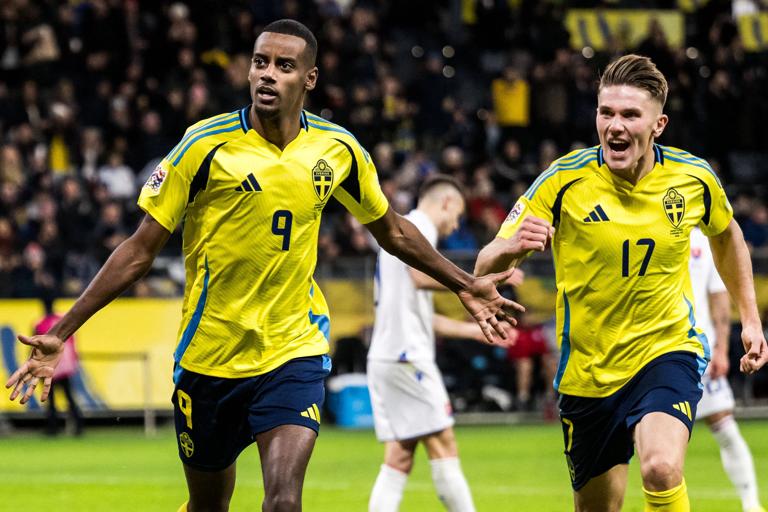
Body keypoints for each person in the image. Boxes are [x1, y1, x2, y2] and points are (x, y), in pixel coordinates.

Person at [5, 19, 521, 512]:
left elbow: (394, 231)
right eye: (259, 62)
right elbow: (140, 250)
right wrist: (63, 331)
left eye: (284, 65)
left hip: (292, 351)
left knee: (284, 500)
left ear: (309, 78)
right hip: (210, 356)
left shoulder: (337, 150)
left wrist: (465, 283)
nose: (268, 74)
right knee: (211, 503)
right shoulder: (204, 145)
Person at [474, 54, 768, 512]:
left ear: (658, 124)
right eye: (605, 112)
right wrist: (511, 249)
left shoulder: (692, 178)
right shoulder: (563, 181)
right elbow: (485, 261)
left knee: (661, 469)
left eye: (630, 115)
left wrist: (750, 320)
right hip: (589, 373)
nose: (615, 125)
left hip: (666, 350)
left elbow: (728, 237)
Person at [367, 175, 521, 512]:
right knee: (443, 443)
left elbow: (418, 312)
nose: (455, 227)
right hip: (406, 357)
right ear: (447, 202)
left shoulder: (402, 232)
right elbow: (420, 276)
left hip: (389, 355)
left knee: (399, 455)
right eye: (458, 216)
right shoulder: (415, 229)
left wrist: (472, 331)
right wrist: (476, 282)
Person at [689, 227, 765, 512]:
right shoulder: (649, 226)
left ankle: (751, 504)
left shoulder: (706, 241)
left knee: (725, 426)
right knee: (647, 438)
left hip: (699, 351)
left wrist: (720, 349)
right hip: (654, 352)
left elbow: (719, 299)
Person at [35, 295, 84, 436]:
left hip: (49, 366)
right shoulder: (62, 320)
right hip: (65, 364)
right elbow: (72, 340)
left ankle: (52, 428)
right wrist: (74, 359)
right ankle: (79, 426)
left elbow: (35, 346)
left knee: (50, 398)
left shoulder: (40, 324)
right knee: (69, 396)